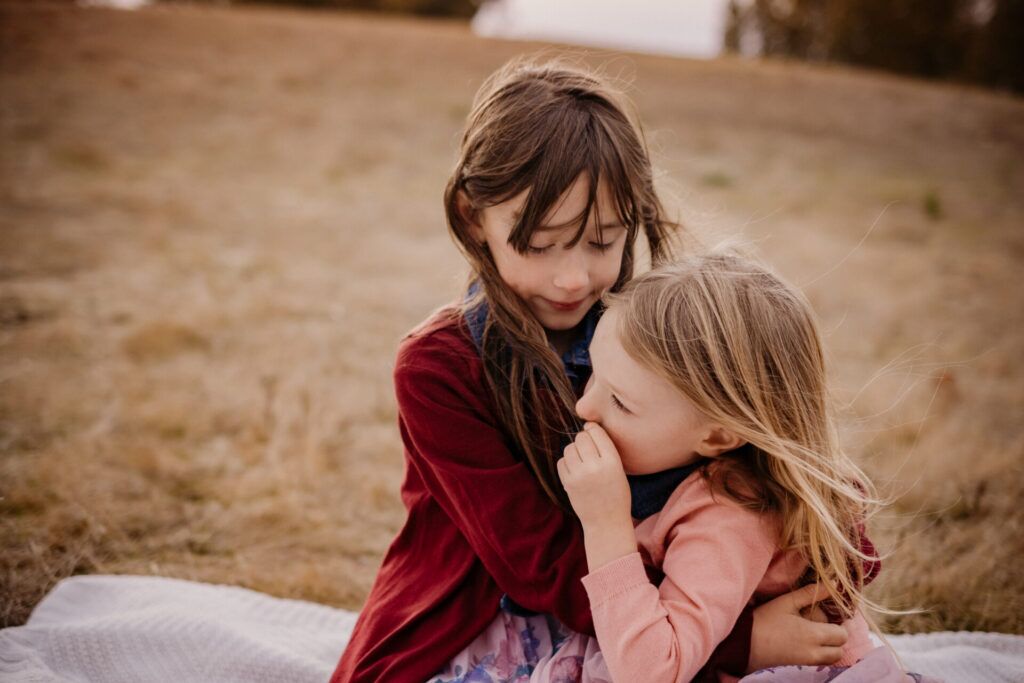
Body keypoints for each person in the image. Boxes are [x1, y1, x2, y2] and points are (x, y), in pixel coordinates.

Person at [331, 57, 867, 683]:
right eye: (539, 243)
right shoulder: (438, 368)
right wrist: (736, 643)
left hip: (659, 613)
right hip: (500, 612)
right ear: (473, 216)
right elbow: (539, 566)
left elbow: (783, 464)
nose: (574, 278)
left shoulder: (652, 330)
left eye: (603, 240)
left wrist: (823, 570)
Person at [520, 252, 926, 682]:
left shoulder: (729, 515)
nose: (584, 406)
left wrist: (606, 526)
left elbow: (650, 673)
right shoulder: (691, 470)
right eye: (592, 373)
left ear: (718, 437)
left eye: (620, 402)